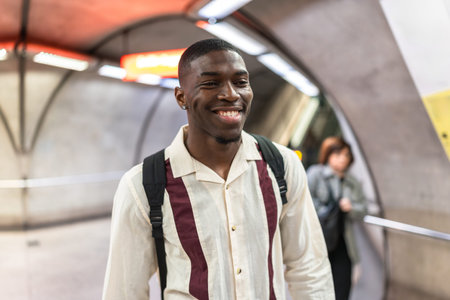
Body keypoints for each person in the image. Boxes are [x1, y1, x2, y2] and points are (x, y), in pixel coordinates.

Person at [102, 38, 334, 300]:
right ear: (181, 97)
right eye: (211, 83)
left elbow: (308, 267)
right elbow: (124, 291)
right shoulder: (143, 186)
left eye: (240, 82)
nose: (231, 94)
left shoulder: (281, 165)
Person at [306, 137, 367, 300]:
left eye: (346, 155)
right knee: (315, 287)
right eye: (338, 154)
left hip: (342, 240)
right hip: (318, 238)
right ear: (328, 154)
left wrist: (351, 207)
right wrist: (327, 210)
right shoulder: (316, 173)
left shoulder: (351, 182)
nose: (342, 158)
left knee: (342, 287)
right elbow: (304, 201)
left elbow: (363, 209)